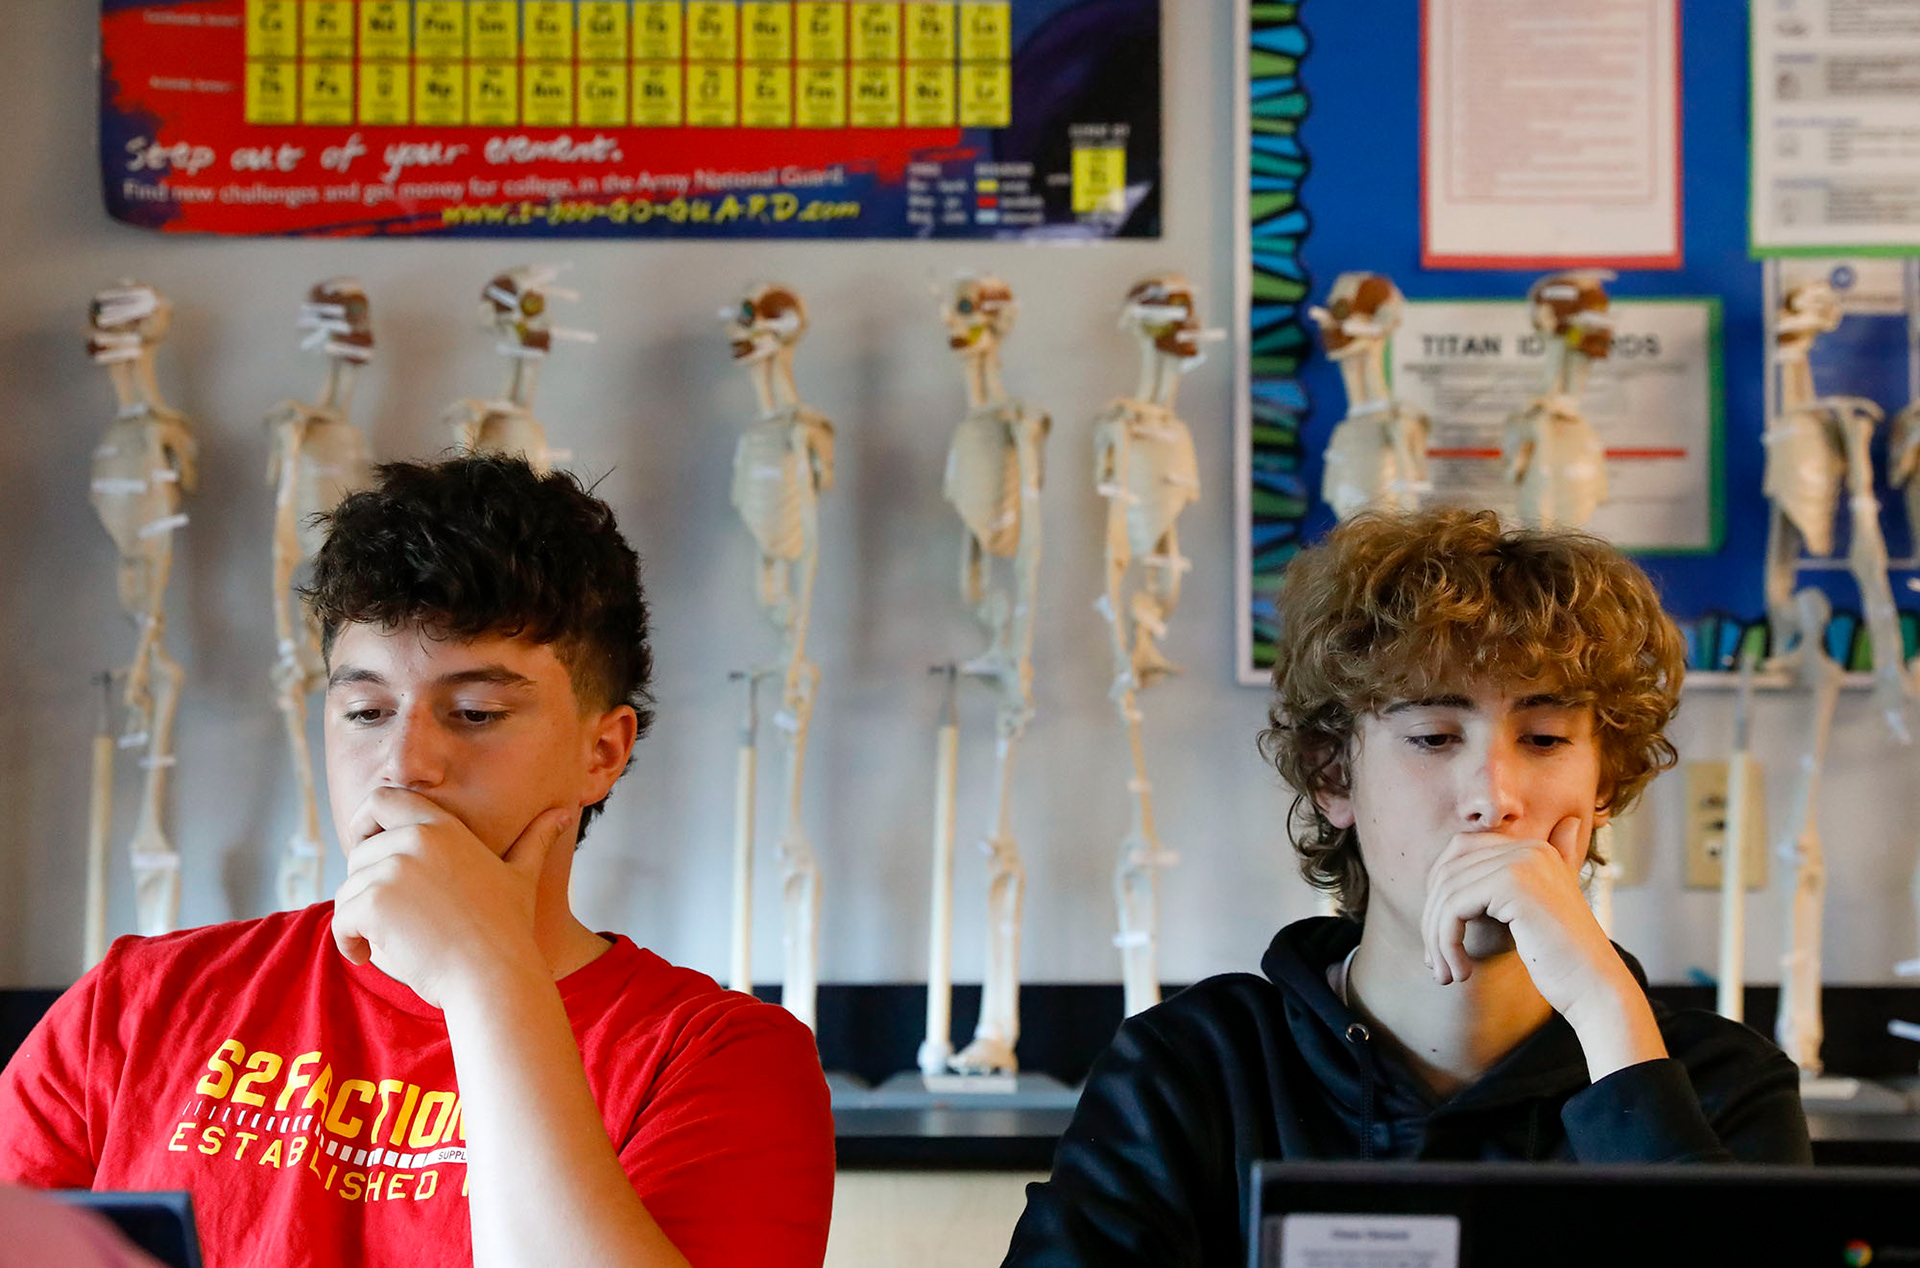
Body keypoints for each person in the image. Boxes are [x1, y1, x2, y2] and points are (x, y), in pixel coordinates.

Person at [1, 456, 836, 1268]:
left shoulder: (719, 1058)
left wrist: (487, 976)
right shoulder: (134, 1006)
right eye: (366, 712)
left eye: (475, 713)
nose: (404, 766)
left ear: (602, 752)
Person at [1001, 508, 1810, 1267]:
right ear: (1333, 775)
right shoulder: (1194, 1069)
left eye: (1543, 738)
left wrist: (1606, 1013)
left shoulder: (1720, 1085)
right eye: (1432, 736)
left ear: (1603, 785)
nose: (1493, 797)